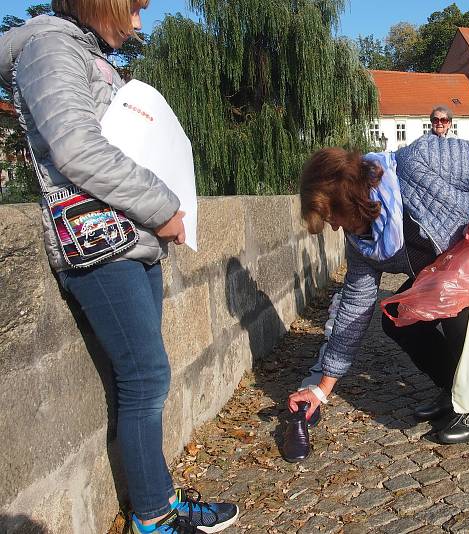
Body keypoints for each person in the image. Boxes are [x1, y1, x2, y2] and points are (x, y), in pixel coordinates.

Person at [0, 2, 239, 532]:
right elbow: (78, 150)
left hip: (128, 238)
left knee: (143, 377)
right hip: (98, 241)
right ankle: (152, 516)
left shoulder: (81, 50)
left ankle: (160, 500)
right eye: (132, 7)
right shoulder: (49, 47)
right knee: (145, 376)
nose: (137, 23)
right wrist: (163, 207)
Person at [287, 136, 469, 445]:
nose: (332, 227)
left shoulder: (419, 159)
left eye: (332, 216)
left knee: (453, 304)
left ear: (349, 197)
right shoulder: (362, 242)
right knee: (398, 317)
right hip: (454, 267)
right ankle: (456, 390)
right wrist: (323, 387)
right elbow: (355, 307)